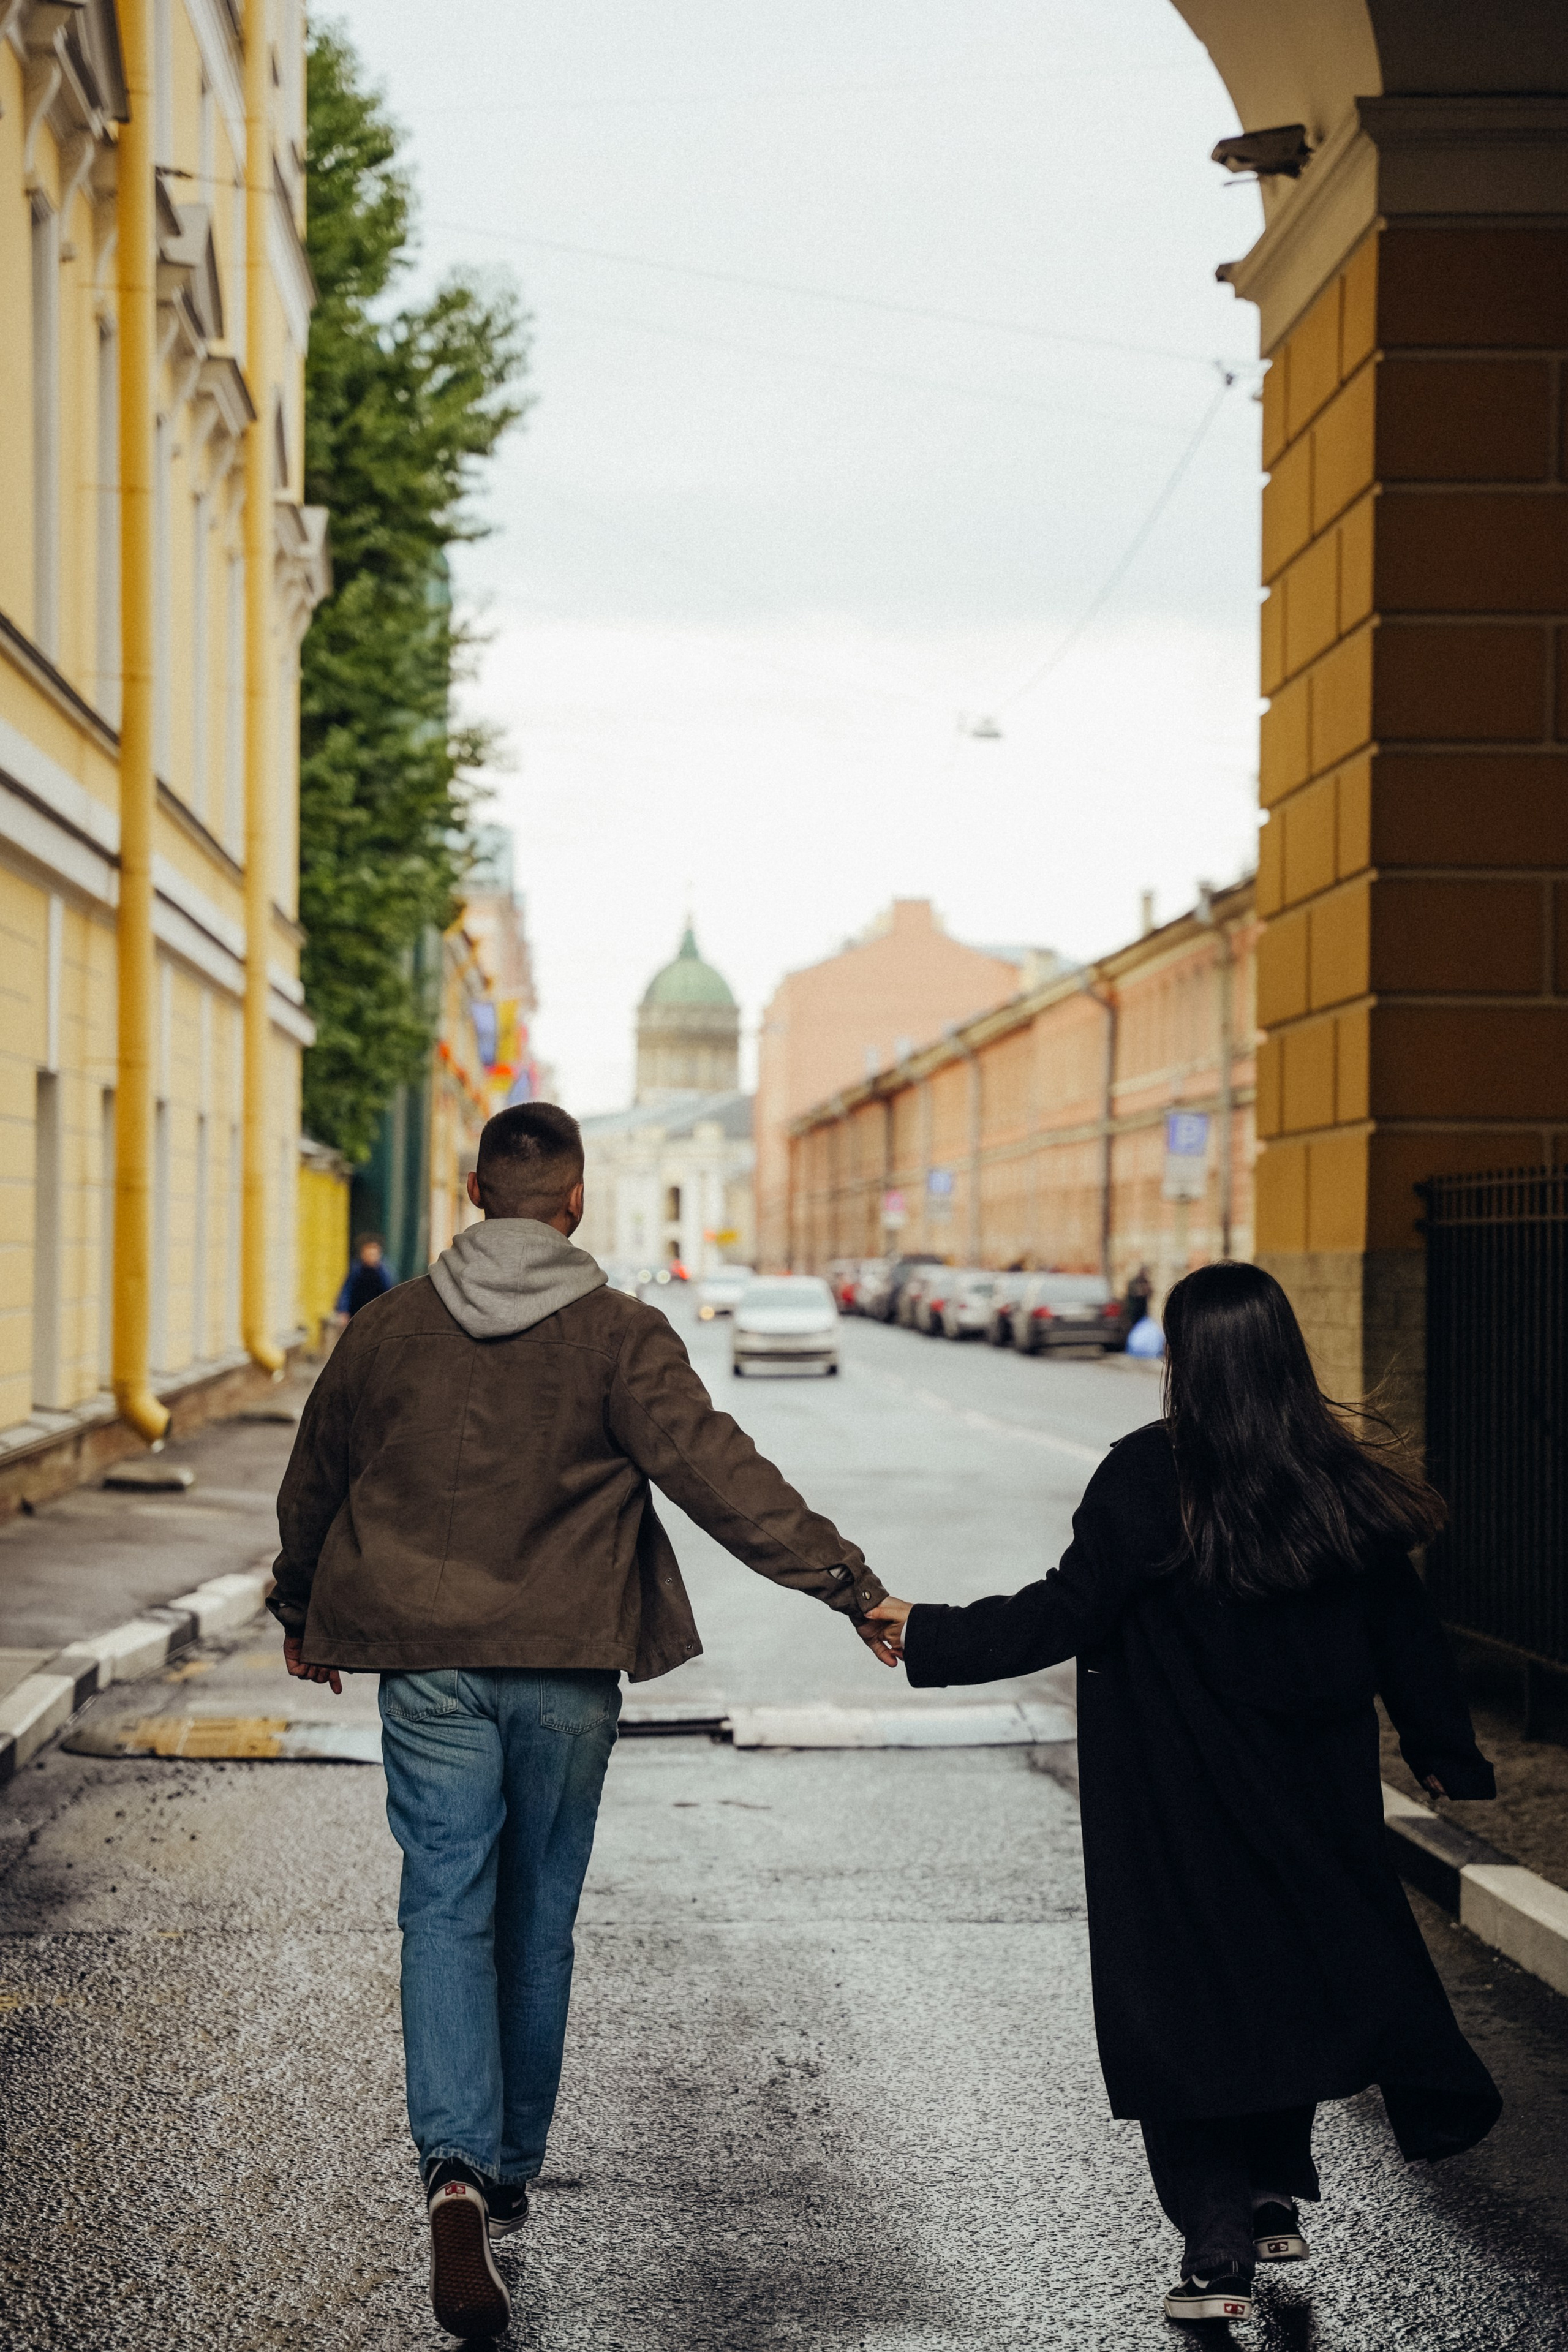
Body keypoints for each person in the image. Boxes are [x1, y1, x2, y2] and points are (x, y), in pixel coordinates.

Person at [270, 1102, 892, 2342]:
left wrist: (300, 1605)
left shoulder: (387, 1328)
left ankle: (452, 2170)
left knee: (443, 1902)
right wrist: (848, 1585)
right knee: (536, 1915)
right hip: (565, 1666)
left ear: (472, 1192)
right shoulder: (619, 1334)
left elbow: (315, 1477)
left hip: (426, 1665)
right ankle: (506, 2169)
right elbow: (722, 1477)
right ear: (575, 1202)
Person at [866, 1260, 1500, 2326]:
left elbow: (1066, 1611)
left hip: (1178, 1803)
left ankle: (1217, 2247)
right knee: (1285, 1980)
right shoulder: (1340, 1482)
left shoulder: (1146, 1476)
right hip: (1312, 1797)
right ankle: (1269, 2187)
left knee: (1183, 2006)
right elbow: (1404, 1631)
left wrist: (927, 1630)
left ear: (1185, 1358)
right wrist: (1445, 1750)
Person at [336, 1232, 394, 1318]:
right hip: (356, 1311)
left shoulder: (384, 1272)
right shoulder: (356, 1270)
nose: (371, 1257)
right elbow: (346, 1291)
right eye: (368, 1253)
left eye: (374, 1254)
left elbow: (389, 1293)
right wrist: (343, 1310)